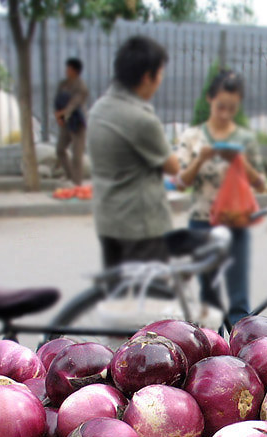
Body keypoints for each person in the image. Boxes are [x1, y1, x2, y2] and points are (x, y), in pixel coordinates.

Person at [176, 70, 265, 326]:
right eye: (220, 106)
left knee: (239, 301)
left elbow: (259, 182)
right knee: (209, 299)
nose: (225, 113)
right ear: (209, 100)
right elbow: (182, 183)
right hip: (202, 224)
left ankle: (241, 352)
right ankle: (212, 352)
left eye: (232, 108)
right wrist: (200, 159)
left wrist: (240, 162)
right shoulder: (193, 137)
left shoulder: (244, 138)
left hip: (236, 222)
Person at [87, 36, 180, 269]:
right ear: (146, 77)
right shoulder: (140, 119)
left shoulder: (99, 109)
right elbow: (173, 166)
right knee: (152, 300)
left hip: (108, 222)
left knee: (120, 300)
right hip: (140, 229)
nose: (160, 80)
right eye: (159, 74)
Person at [54, 57, 88, 186]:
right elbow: (57, 101)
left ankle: (77, 183)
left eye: (68, 68)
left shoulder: (81, 86)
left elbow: (75, 103)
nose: (66, 70)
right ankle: (70, 176)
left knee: (77, 155)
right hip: (65, 123)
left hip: (78, 122)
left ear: (75, 70)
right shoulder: (63, 84)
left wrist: (63, 113)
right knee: (60, 149)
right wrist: (58, 117)